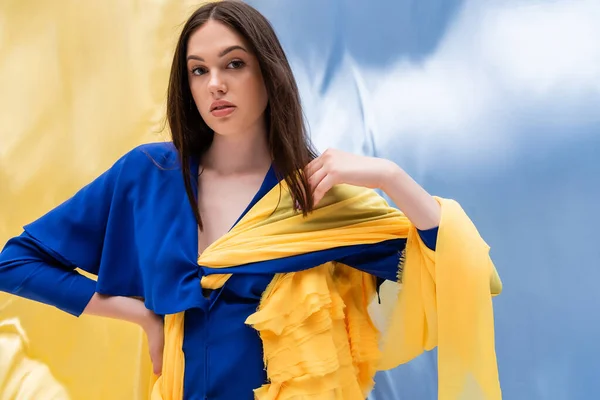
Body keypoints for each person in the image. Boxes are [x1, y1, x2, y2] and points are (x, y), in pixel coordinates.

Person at [0, 1, 502, 399]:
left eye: (233, 64)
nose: (215, 84)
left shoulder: (317, 196)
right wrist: (140, 316)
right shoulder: (148, 176)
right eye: (198, 71)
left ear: (269, 73)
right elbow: (16, 261)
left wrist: (391, 177)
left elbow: (466, 275)